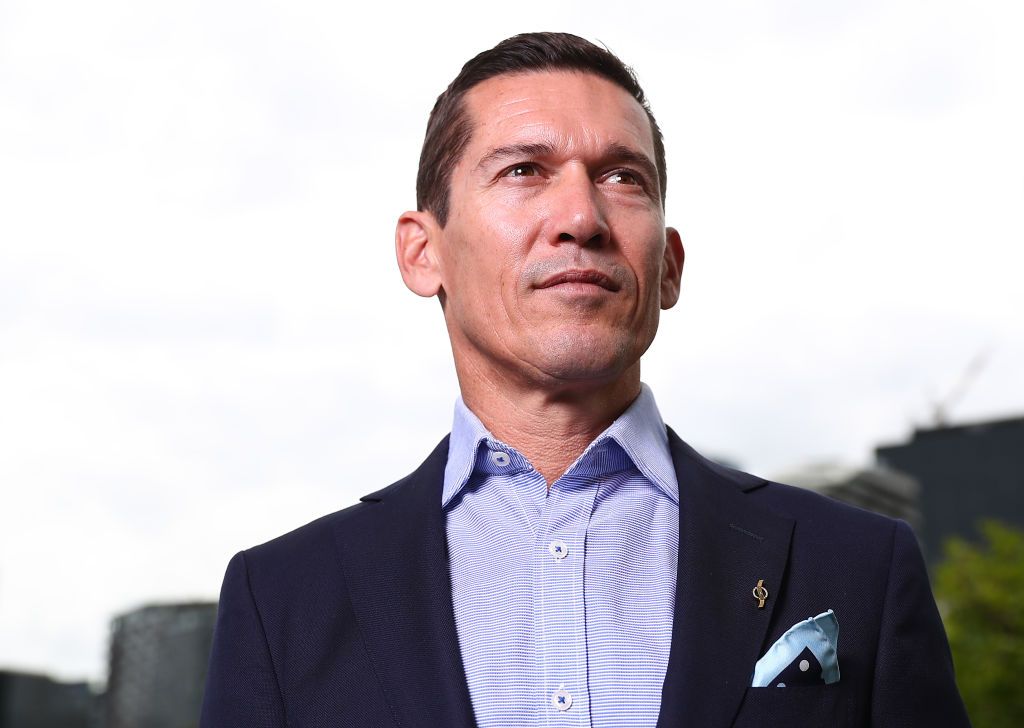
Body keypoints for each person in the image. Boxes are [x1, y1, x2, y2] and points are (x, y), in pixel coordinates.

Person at [200, 32, 970, 727]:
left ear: (667, 265)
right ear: (421, 252)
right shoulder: (282, 601)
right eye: (524, 170)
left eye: (622, 178)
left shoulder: (860, 569)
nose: (581, 216)